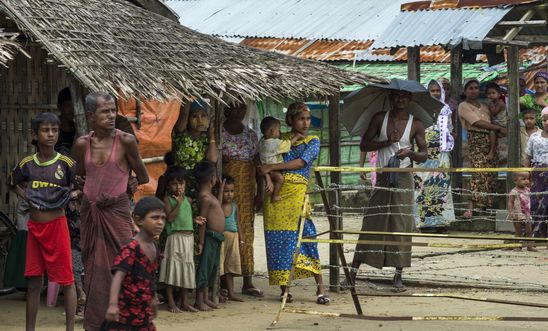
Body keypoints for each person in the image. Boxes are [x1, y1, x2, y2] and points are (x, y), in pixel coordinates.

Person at [72, 91, 149, 331]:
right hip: (91, 218)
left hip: (117, 216)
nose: (111, 115)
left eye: (113, 110)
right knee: (95, 271)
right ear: (90, 115)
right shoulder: (81, 144)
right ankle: (97, 324)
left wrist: (132, 183)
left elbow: (143, 175)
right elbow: (78, 178)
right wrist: (83, 190)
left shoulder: (125, 140)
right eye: (105, 111)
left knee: (124, 267)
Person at [350, 90, 427, 290]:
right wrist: (386, 142)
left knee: (401, 223)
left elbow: (424, 154)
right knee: (372, 220)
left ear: (409, 99)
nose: (400, 100)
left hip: (403, 176)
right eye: (396, 96)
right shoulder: (379, 118)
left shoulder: (416, 123)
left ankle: (398, 275)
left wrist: (410, 152)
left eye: (404, 96)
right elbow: (364, 144)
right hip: (383, 175)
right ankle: (353, 271)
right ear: (390, 99)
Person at [10, 112, 77, 331]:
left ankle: (69, 328)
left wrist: (72, 196)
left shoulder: (67, 163)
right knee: (33, 281)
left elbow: (75, 188)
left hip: (57, 226)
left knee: (66, 280)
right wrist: (26, 196)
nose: (50, 134)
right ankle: (30, 328)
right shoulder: (27, 164)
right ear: (34, 134)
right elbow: (12, 183)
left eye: (54, 130)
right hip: (35, 228)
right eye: (45, 130)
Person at [259, 102, 329, 304]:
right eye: (301, 119)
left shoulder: (312, 141)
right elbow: (261, 159)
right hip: (276, 195)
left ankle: (320, 289)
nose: (305, 123)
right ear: (291, 120)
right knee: (279, 242)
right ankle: (285, 289)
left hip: (297, 194)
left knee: (307, 238)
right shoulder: (279, 138)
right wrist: (267, 176)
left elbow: (300, 163)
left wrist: (272, 167)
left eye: (308, 119)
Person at [221, 102, 263, 297]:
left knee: (246, 233)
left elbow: (258, 166)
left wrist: (260, 193)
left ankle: (248, 280)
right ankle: (223, 281)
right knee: (224, 232)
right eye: (234, 107)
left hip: (246, 191)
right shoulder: (218, 133)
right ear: (225, 109)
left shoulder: (251, 135)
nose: (238, 112)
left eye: (242, 108)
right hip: (225, 191)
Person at [104, 197, 165, 331]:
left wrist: (153, 298)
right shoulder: (131, 248)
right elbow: (117, 277)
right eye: (155, 218)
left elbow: (151, 276)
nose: (160, 222)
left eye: (162, 218)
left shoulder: (155, 246)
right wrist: (113, 305)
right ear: (139, 220)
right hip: (125, 315)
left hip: (143, 313)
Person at [458, 78, 506, 218]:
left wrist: (498, 128)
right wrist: (498, 128)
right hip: (476, 139)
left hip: (491, 140)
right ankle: (471, 208)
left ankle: (484, 208)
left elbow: (495, 115)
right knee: (478, 172)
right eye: (470, 88)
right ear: (465, 90)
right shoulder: (463, 105)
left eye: (476, 88)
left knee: (490, 174)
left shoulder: (484, 105)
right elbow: (477, 122)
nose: (474, 91)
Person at [159, 167, 204, 313]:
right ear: (168, 186)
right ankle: (171, 303)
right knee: (172, 269)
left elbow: (184, 218)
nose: (178, 187)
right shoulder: (168, 200)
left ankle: (184, 302)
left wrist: (194, 220)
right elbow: (170, 218)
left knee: (186, 269)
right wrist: (177, 203)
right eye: (174, 184)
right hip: (175, 238)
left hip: (188, 239)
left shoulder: (188, 200)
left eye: (181, 183)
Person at [414, 80, 455, 231]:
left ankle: (441, 222)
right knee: (423, 187)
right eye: (433, 90)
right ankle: (423, 223)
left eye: (438, 90)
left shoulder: (445, 109)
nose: (436, 93)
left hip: (441, 155)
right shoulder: (419, 109)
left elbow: (448, 131)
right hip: (423, 154)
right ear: (427, 92)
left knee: (441, 186)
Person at [194, 161, 226, 311]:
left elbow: (218, 205)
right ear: (212, 178)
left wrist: (220, 190)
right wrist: (200, 242)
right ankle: (199, 300)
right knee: (205, 269)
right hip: (208, 237)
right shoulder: (205, 198)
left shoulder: (210, 196)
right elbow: (203, 221)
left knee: (212, 268)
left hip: (216, 238)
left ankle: (206, 298)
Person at [172, 99, 217, 200]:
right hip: (180, 189)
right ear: (188, 119)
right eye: (194, 116)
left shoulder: (207, 138)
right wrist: (188, 93)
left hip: (201, 190)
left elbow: (212, 159)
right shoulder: (181, 135)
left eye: (203, 116)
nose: (200, 120)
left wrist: (211, 135)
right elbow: (184, 113)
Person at [259, 116, 303, 201]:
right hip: (273, 170)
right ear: (272, 132)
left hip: (265, 169)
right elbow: (288, 144)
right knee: (280, 179)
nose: (280, 132)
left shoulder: (261, 141)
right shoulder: (275, 143)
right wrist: (296, 137)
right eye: (278, 130)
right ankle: (275, 195)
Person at [524, 106, 548, 246]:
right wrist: (525, 174)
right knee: (536, 203)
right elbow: (527, 157)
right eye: (544, 119)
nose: (547, 122)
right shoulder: (535, 137)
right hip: (538, 174)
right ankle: (536, 234)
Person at [219, 175, 244, 302]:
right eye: (226, 191)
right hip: (222, 238)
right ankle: (217, 292)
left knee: (230, 266)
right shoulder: (218, 205)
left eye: (231, 191)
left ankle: (231, 293)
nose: (229, 194)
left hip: (233, 237)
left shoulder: (234, 206)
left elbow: (238, 222)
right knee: (219, 266)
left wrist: (241, 239)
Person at [507, 172, 538, 252]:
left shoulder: (528, 190)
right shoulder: (514, 191)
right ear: (515, 181)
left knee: (529, 230)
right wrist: (510, 213)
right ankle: (518, 246)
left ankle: (529, 246)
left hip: (527, 214)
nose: (526, 181)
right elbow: (510, 202)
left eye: (528, 179)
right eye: (523, 179)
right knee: (518, 231)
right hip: (517, 214)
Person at [485, 82, 508, 163]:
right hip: (496, 124)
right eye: (488, 94)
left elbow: (493, 113)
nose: (491, 95)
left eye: (493, 93)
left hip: (502, 124)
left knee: (492, 129)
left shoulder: (501, 103)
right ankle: (492, 151)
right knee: (491, 132)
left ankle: (492, 151)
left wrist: (489, 105)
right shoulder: (492, 103)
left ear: (499, 94)